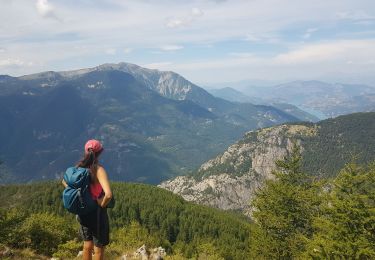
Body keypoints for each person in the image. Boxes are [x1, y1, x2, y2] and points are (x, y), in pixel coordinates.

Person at [62, 139, 112, 260]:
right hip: (97, 213)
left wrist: (81, 194)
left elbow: (64, 181)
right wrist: (101, 204)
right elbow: (108, 195)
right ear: (100, 152)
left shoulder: (78, 168)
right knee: (98, 249)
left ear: (86, 151)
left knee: (87, 245)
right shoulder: (98, 170)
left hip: (83, 211)